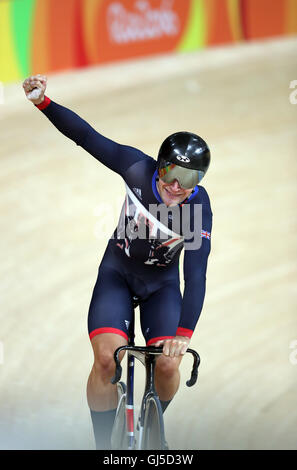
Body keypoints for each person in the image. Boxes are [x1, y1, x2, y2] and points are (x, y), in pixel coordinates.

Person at [22, 74, 213, 450]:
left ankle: (154, 418)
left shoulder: (198, 209)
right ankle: (102, 445)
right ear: (159, 167)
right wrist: (44, 102)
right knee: (107, 360)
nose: (177, 185)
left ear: (199, 180)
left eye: (188, 178)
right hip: (118, 275)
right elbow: (88, 138)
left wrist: (183, 335)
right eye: (172, 173)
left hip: (162, 286)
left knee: (169, 364)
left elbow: (197, 275)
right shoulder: (135, 169)